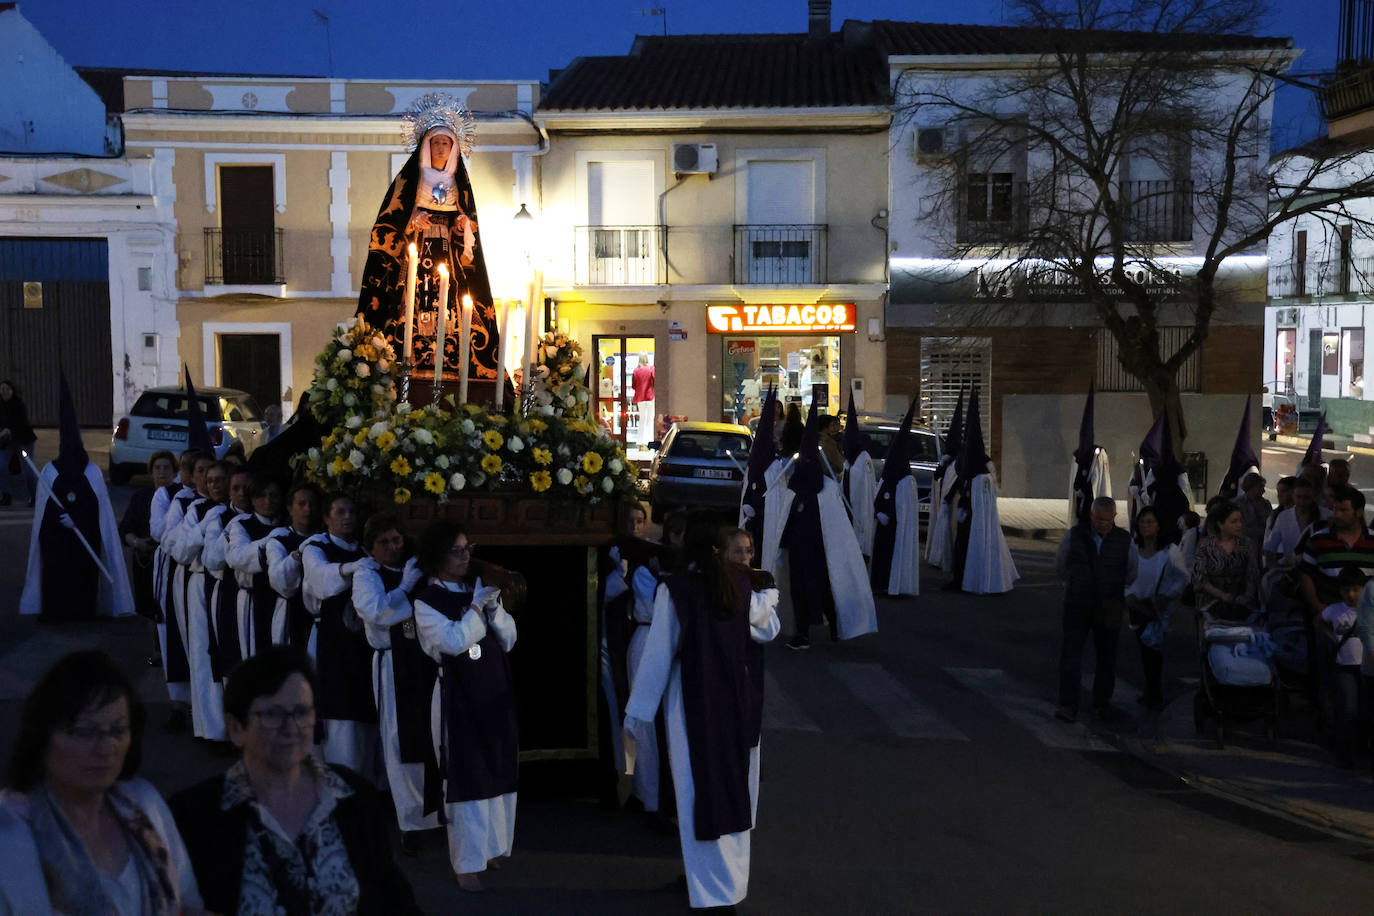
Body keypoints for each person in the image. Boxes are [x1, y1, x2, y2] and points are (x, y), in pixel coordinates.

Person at [170, 648, 420, 915]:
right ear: (235, 727)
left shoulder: (355, 798)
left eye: (301, 712)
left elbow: (395, 901)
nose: (290, 727)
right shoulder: (194, 817)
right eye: (272, 714)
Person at [622, 511, 780, 911]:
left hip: (691, 703)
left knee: (697, 792)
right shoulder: (741, 585)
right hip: (736, 699)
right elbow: (767, 627)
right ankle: (728, 882)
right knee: (732, 786)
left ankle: (711, 889)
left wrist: (637, 713)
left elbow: (659, 654)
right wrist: (769, 596)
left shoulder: (677, 590)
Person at [0, 651, 203, 915]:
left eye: (118, 730)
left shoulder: (144, 803)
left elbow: (186, 904)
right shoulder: (10, 835)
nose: (107, 747)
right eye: (85, 732)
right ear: (43, 735)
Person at [357, 94, 499, 397]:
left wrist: (463, 228)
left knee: (451, 310)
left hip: (447, 260)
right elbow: (388, 225)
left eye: (446, 143)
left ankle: (449, 364)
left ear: (454, 148)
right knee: (411, 305)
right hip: (416, 259)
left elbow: (468, 236)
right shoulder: (409, 182)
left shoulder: (459, 185)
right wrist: (411, 223)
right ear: (426, 146)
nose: (441, 148)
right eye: (436, 143)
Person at [413, 521, 518, 892]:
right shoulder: (426, 601)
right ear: (438, 557)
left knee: (495, 767)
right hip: (457, 696)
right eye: (456, 550)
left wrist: (494, 607)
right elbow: (453, 641)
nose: (465, 556)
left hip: (492, 689)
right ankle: (466, 862)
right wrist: (476, 607)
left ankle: (490, 847)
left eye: (467, 548)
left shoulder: (479, 591)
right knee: (467, 774)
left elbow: (509, 639)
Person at [350, 513, 439, 851]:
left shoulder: (417, 568)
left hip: (424, 660)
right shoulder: (367, 574)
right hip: (392, 663)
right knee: (400, 741)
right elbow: (377, 612)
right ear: (370, 548)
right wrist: (404, 587)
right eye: (383, 542)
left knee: (429, 736)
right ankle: (411, 823)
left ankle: (435, 815)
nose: (392, 547)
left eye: (396, 539)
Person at [20, 376, 134, 621]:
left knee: (82, 576)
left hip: (85, 539)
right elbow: (43, 511)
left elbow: (98, 510)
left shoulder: (92, 472)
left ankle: (83, 611)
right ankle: (55, 612)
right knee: (56, 575)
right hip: (55, 540)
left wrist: (78, 519)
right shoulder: (50, 472)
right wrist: (58, 519)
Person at [301, 494, 377, 779]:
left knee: (361, 705)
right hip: (329, 639)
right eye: (340, 512)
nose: (347, 517)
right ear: (326, 517)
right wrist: (349, 568)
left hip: (359, 642)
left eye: (351, 511)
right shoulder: (315, 547)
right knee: (336, 706)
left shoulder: (364, 549)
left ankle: (366, 779)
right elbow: (320, 580)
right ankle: (335, 775)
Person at [1055, 496, 1136, 723]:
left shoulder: (1124, 540)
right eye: (1099, 519)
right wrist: (1075, 584)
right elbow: (1061, 565)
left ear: (1114, 518)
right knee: (1071, 656)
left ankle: (1102, 703)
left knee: (1107, 658)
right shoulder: (1075, 535)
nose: (1102, 524)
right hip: (1078, 603)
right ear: (1091, 516)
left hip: (1109, 605)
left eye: (1107, 520)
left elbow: (1132, 571)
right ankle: (1068, 705)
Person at [170, 460, 231, 741]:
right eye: (211, 480)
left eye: (221, 479)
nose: (215, 485)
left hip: (230, 587)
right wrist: (205, 525)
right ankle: (211, 728)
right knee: (203, 656)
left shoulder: (237, 511)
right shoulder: (197, 510)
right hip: (200, 583)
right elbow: (181, 552)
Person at [1124, 507, 1188, 711]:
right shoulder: (1133, 548)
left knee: (1153, 651)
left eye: (1150, 522)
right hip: (1137, 605)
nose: (1145, 526)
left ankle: (1154, 692)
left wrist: (1166, 597)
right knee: (1144, 651)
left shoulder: (1169, 551)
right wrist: (1129, 595)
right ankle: (1151, 691)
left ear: (1159, 525)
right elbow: (1125, 574)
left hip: (1157, 607)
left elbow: (1182, 577)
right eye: (1142, 522)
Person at [225, 474, 286, 659]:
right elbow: (237, 557)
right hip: (254, 599)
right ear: (252, 499)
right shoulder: (242, 525)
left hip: (282, 600)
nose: (268, 501)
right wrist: (271, 541)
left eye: (273, 495)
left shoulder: (287, 524)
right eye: (261, 495)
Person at [119, 450, 177, 632]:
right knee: (147, 607)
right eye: (157, 468)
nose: (161, 472)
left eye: (166, 468)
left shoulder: (179, 497)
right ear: (151, 472)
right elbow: (126, 528)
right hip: (145, 561)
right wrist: (137, 543)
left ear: (174, 472)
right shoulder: (141, 496)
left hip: (171, 561)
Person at [1319, 566, 1366, 768]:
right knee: (1348, 710)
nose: (1351, 595)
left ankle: (1361, 748)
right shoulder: (1334, 610)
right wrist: (1331, 640)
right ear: (1340, 591)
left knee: (1365, 710)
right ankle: (1344, 753)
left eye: (1355, 590)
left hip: (1367, 669)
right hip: (1345, 667)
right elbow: (1319, 622)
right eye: (1347, 590)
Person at [266, 483, 322, 650]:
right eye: (302, 504)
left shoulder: (324, 538)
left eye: (312, 504)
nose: (308, 509)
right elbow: (279, 581)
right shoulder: (280, 539)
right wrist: (296, 556)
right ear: (290, 508)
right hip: (291, 613)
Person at [1192, 501, 1260, 623]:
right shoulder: (1206, 545)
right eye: (1234, 522)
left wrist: (1246, 596)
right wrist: (1221, 595)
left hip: (1241, 604)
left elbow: (1252, 574)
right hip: (1210, 604)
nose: (1239, 525)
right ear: (1220, 524)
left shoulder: (1246, 544)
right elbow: (1200, 578)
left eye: (1240, 521)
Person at [0, 378, 37, 507]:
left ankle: (34, 496)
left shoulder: (18, 404)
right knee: (1, 466)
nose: (4, 391)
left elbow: (20, 422)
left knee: (28, 470)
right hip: (7, 443)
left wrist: (8, 430)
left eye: (7, 389)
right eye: (2, 389)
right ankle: (6, 495)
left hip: (23, 441)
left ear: (12, 391)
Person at [1232, 471, 1272, 553]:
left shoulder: (1266, 504)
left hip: (1263, 547)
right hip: (1244, 548)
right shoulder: (1237, 504)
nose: (1263, 490)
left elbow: (1271, 524)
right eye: (1260, 487)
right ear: (1251, 487)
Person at [632, 352, 655, 449]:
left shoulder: (636, 370)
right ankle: (649, 441)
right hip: (650, 396)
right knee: (650, 419)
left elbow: (633, 385)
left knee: (642, 419)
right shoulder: (651, 369)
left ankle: (640, 441)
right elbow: (654, 382)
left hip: (639, 397)